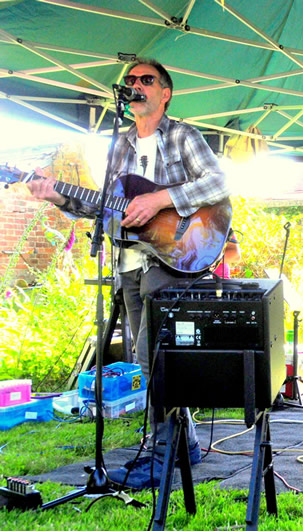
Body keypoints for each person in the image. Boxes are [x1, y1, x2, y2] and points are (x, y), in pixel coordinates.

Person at [27, 58, 230, 489]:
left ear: (165, 92)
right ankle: (185, 444)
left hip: (176, 254)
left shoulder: (182, 135)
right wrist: (58, 198)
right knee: (146, 358)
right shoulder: (118, 145)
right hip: (129, 261)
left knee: (153, 356)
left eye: (146, 80)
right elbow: (106, 204)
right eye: (131, 80)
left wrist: (160, 200)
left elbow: (217, 184)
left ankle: (161, 456)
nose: (135, 84)